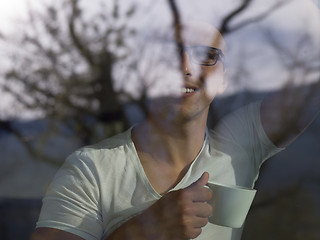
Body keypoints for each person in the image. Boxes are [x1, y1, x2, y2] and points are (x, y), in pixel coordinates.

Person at [31, 20, 319, 240]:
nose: (184, 67)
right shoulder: (90, 169)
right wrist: (145, 230)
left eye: (205, 54)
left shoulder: (239, 143)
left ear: (224, 79)